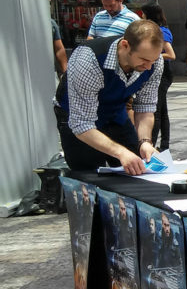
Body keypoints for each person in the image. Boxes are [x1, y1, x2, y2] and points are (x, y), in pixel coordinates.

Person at [53, 19, 164, 175]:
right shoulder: (88, 58)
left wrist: (145, 141)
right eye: (144, 60)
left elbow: (145, 107)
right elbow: (81, 124)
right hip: (75, 116)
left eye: (153, 60)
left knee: (137, 166)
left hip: (115, 112)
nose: (148, 67)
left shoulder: (155, 61)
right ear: (125, 46)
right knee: (89, 174)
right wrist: (120, 152)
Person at [139, 3, 175, 152]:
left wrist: (152, 55)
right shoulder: (159, 30)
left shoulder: (160, 31)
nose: (141, 17)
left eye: (143, 14)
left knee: (157, 110)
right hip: (159, 72)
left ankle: (152, 143)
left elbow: (171, 54)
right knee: (162, 110)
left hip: (162, 73)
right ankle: (164, 145)